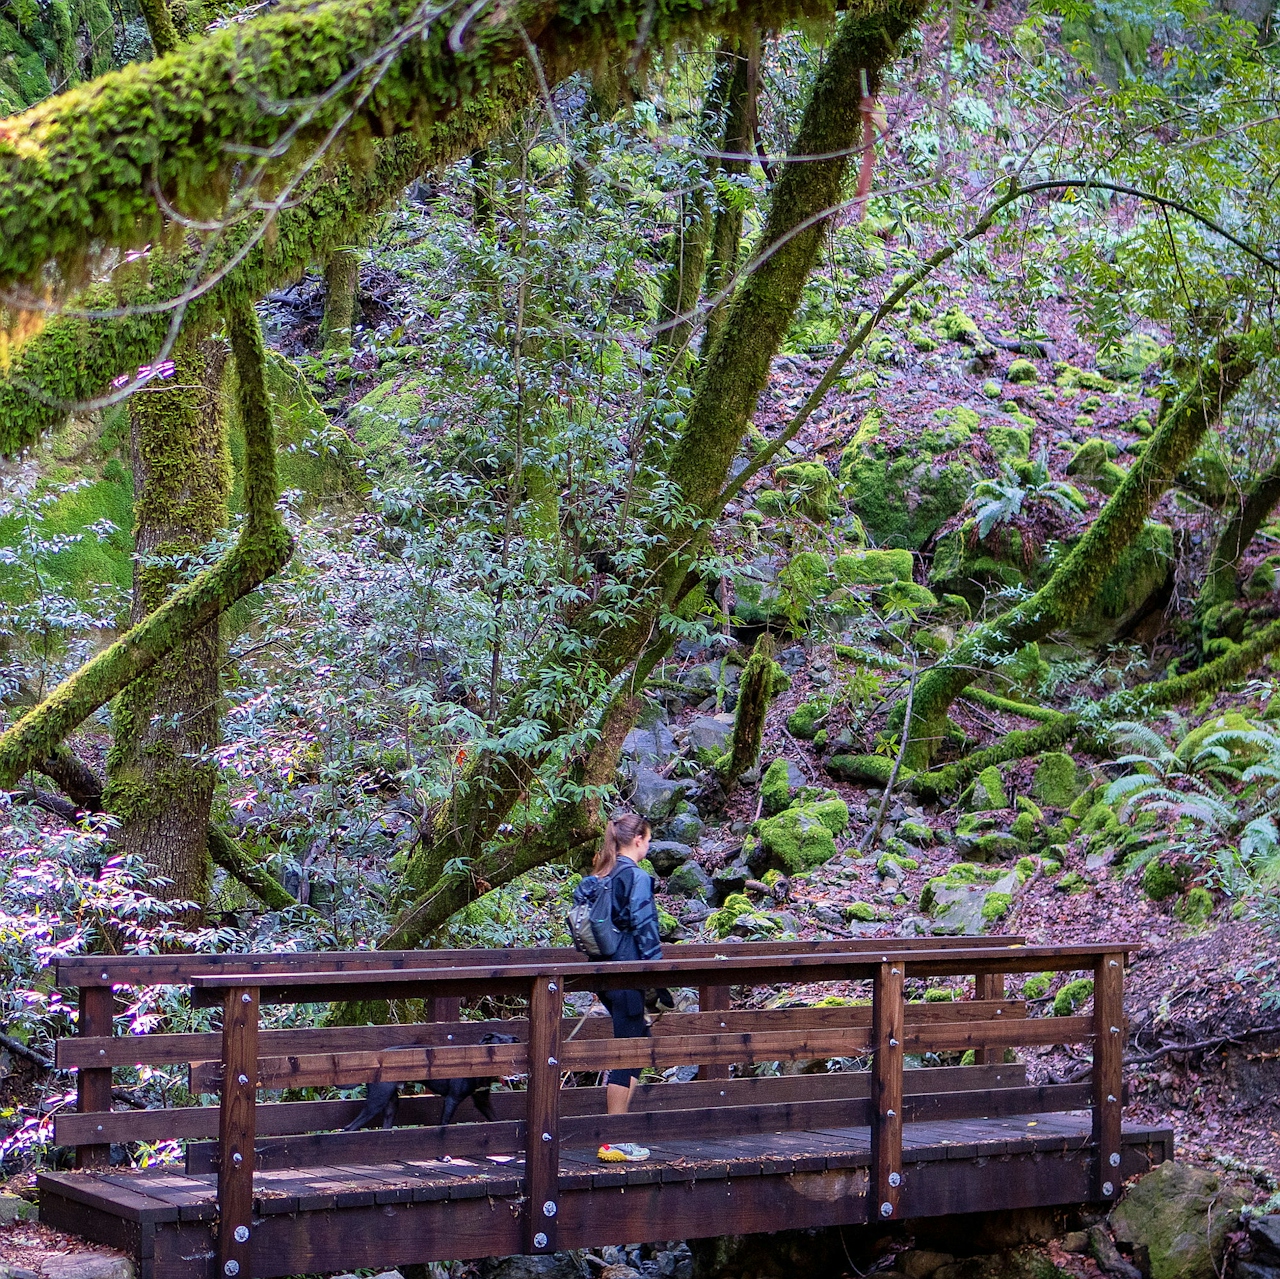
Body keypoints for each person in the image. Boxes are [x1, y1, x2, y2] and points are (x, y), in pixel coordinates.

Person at [590, 811, 672, 1164]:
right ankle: (613, 1141)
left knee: (637, 1045)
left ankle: (620, 1136)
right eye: (648, 839)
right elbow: (644, 925)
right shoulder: (635, 877)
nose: (649, 845)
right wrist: (657, 976)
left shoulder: (602, 875)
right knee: (628, 1051)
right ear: (638, 839)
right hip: (628, 975)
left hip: (607, 974)